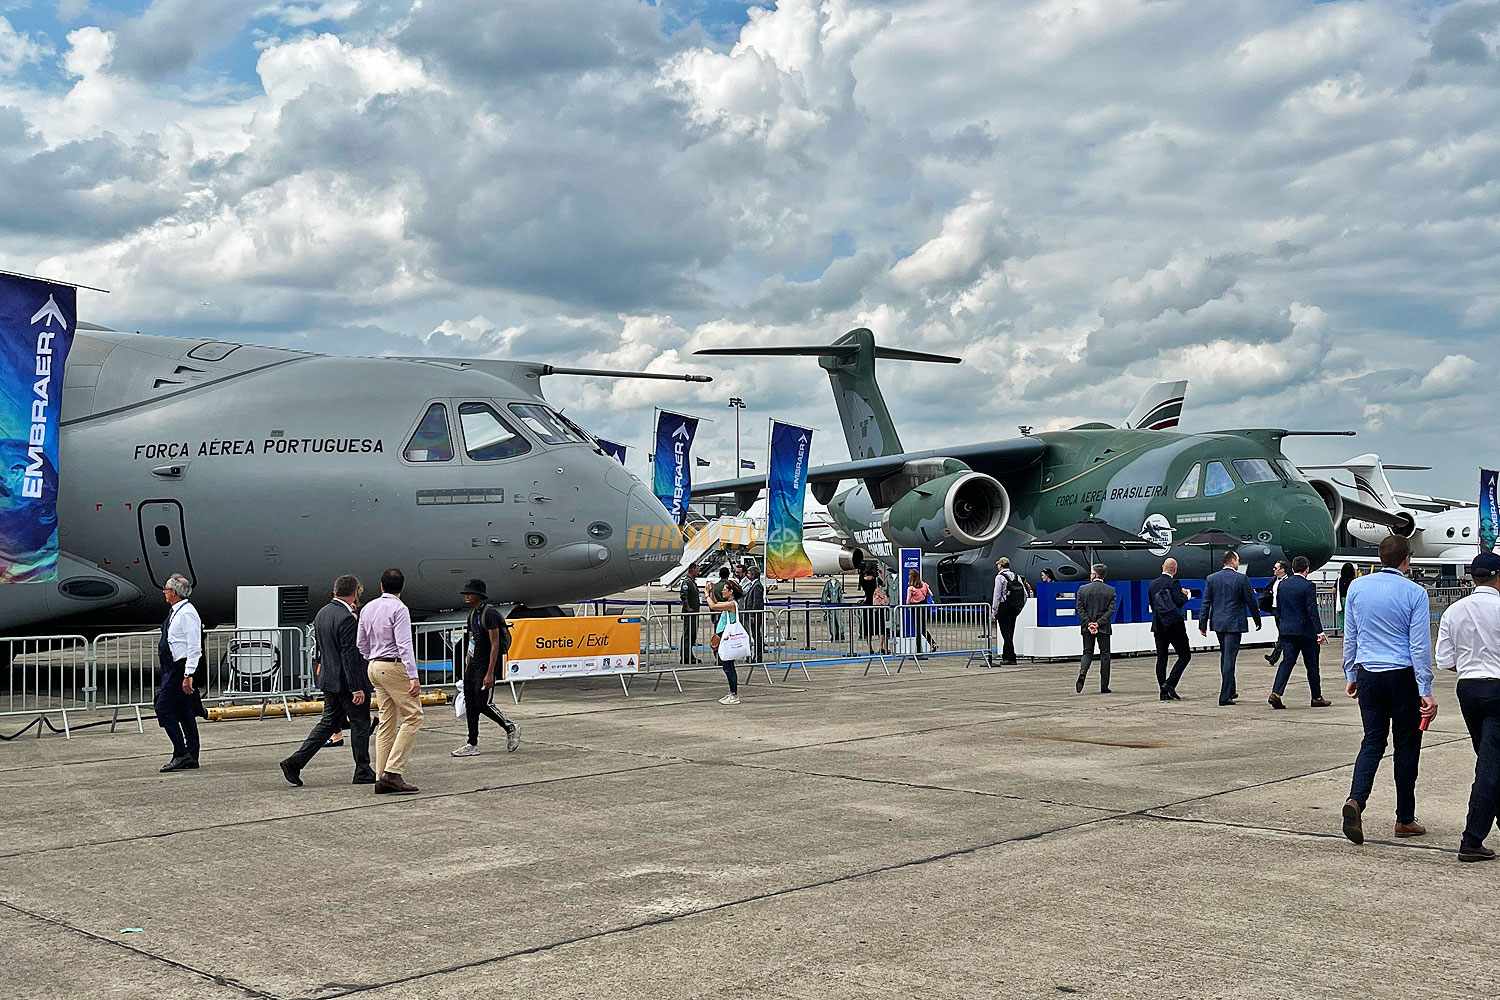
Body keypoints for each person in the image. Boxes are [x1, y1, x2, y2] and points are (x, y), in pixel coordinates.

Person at [1340, 534, 1436, 845]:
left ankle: (1356, 799)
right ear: (1407, 559)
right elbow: (1419, 645)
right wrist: (1425, 687)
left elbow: (1350, 635)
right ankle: (1405, 818)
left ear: (1380, 558)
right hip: (1402, 675)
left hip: (1369, 673)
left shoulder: (1357, 587)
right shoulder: (1415, 593)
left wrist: (1350, 672)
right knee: (1406, 746)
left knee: (1372, 741)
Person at [1434, 551, 1500, 863]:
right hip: (1498, 686)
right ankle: (1472, 838)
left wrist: (1471, 664)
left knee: (1490, 759)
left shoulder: (1454, 610)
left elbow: (1445, 660)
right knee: (1490, 766)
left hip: (1468, 687)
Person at [280, 575, 375, 786]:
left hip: (329, 679)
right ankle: (363, 769)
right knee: (360, 724)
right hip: (346, 681)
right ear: (355, 592)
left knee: (328, 723)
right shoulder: (347, 618)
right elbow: (349, 655)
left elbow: (322, 649)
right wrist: (357, 687)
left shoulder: (323, 613)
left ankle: (295, 762)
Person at [357, 567, 424, 795]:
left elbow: (361, 643)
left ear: (381, 585)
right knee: (414, 717)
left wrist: (372, 658)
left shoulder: (368, 607)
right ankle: (393, 772)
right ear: (401, 588)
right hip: (393, 665)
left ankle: (381, 775)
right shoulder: (399, 609)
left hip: (374, 665)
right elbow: (405, 645)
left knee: (387, 721)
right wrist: (413, 676)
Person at [451, 579, 520, 758]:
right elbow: (471, 642)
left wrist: (490, 673)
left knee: (483, 703)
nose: (466, 596)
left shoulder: (490, 614)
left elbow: (495, 645)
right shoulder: (472, 614)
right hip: (473, 667)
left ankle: (510, 726)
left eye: (470, 593)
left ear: (478, 596)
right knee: (471, 705)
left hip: (486, 666)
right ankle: (472, 743)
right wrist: (466, 667)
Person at [155, 573, 205, 773]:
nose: (164, 593)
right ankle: (192, 755)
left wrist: (188, 674)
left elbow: (194, 646)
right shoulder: (177, 611)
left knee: (163, 709)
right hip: (172, 668)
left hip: (180, 669)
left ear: (174, 592)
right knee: (184, 711)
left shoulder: (187, 613)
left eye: (166, 590)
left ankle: (181, 752)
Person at [1267, 557, 1331, 710]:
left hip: (1287, 630)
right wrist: (1319, 631)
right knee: (1312, 665)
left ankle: (1276, 692)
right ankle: (1316, 697)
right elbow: (1312, 610)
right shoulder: (1308, 586)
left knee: (1287, 661)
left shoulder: (1282, 585)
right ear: (1307, 569)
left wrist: (1283, 626)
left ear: (1293, 569)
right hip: (1306, 632)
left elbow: (1280, 608)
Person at [1199, 551, 1262, 706]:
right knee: (1229, 658)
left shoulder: (1212, 578)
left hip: (1219, 622)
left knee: (1225, 656)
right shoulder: (1241, 579)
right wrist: (1257, 619)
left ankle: (1231, 689)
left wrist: (1202, 623)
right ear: (1232, 561)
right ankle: (1224, 695)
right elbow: (1251, 601)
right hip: (1234, 623)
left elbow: (1206, 602)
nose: (1238, 563)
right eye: (1238, 560)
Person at [1148, 557, 1191, 700]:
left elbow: (1153, 605)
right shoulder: (1174, 583)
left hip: (1158, 626)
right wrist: (1186, 595)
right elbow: (1178, 602)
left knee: (1162, 658)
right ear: (1175, 570)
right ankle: (1170, 683)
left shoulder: (1153, 584)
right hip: (1174, 626)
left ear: (1162, 567)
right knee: (1185, 655)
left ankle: (1163, 692)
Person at [1074, 564, 1116, 694]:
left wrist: (1089, 623)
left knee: (1087, 652)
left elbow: (1079, 609)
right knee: (1105, 654)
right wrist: (1098, 623)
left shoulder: (1082, 589)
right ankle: (1104, 686)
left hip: (1087, 627)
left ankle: (1083, 672)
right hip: (1103, 627)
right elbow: (1111, 610)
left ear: (1095, 574)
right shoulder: (1111, 590)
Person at [708, 566, 743, 705]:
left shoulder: (732, 604)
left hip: (727, 638)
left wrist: (706, 594)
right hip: (723, 637)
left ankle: (734, 694)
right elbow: (715, 603)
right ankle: (731, 693)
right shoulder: (728, 603)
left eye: (725, 589)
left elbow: (713, 606)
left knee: (729, 667)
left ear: (731, 592)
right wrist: (710, 592)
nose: (722, 590)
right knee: (726, 667)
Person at [991, 557, 1024, 665]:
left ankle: (1011, 657)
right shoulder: (1017, 576)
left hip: (1004, 607)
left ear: (1000, 565)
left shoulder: (1000, 577)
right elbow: (1025, 594)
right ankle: (1007, 656)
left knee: (1005, 633)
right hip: (1014, 607)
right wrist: (1020, 607)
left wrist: (994, 611)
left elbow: (997, 595)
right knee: (1010, 632)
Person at [1264, 560, 1289, 666]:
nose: (1273, 570)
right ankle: (1286, 655)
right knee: (1282, 634)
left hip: (1284, 611)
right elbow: (1268, 590)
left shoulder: (1288, 581)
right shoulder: (1274, 580)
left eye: (1276, 568)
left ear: (1282, 570)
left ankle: (1274, 657)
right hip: (1275, 609)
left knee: (1283, 634)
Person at [741, 562, 765, 665]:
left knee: (756, 636)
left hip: (755, 615)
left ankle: (758, 656)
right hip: (752, 614)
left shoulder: (757, 586)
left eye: (749, 573)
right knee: (755, 636)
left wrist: (753, 615)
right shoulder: (754, 585)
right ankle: (756, 655)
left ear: (754, 574)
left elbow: (756, 602)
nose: (747, 575)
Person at [679, 562, 703, 664]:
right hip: (690, 614)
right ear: (692, 569)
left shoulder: (692, 582)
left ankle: (689, 655)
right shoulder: (687, 582)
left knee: (692, 634)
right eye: (697, 569)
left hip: (694, 613)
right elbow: (683, 595)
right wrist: (687, 608)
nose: (699, 571)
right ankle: (685, 657)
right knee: (688, 634)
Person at [859, 562, 883, 653]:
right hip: (877, 604)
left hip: (867, 603)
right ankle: (881, 646)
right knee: (880, 627)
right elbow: (882, 584)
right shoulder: (876, 580)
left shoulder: (862, 579)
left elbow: (862, 583)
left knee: (867, 628)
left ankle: (870, 648)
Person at [821, 573, 845, 642]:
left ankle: (841, 634)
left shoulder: (838, 584)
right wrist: (824, 604)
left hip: (837, 604)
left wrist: (842, 605)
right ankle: (833, 634)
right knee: (832, 620)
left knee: (839, 619)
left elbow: (840, 595)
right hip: (831, 604)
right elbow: (825, 594)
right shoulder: (828, 584)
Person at [1337, 561, 1356, 631]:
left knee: (1342, 615)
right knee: (1351, 615)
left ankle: (1343, 629)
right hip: (1351, 599)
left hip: (1341, 599)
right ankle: (1350, 629)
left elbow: (1333, 589)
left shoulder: (1339, 579)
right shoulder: (1354, 580)